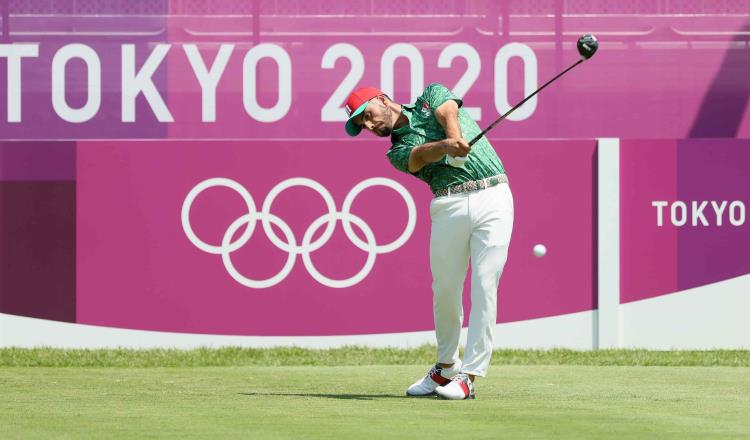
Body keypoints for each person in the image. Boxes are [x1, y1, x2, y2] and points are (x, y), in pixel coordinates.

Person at [344, 84, 514, 400]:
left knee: (484, 284)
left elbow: (447, 110)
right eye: (362, 126)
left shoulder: (431, 95)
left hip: (493, 196)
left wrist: (454, 136)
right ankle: (446, 366)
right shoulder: (395, 150)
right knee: (445, 289)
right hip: (448, 205)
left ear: (381, 100)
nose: (369, 126)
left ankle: (470, 375)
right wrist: (447, 146)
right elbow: (418, 157)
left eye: (367, 116)